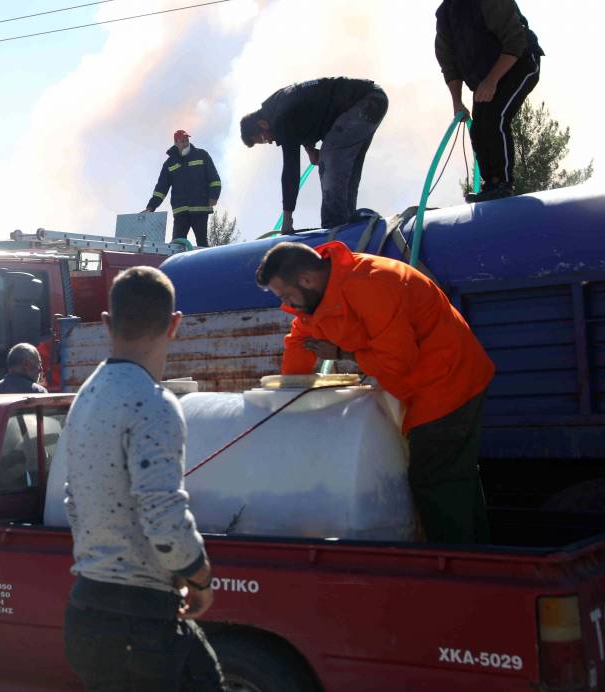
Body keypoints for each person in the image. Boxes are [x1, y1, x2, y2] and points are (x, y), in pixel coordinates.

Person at [255, 242, 495, 544]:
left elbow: (398, 359)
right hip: (425, 385)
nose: (288, 303)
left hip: (449, 380)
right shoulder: (317, 299)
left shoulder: (372, 283)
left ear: (306, 280)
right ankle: (482, 556)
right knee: (454, 479)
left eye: (287, 295)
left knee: (435, 480)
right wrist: (290, 400)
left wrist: (345, 353)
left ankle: (455, 569)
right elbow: (299, 341)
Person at [62, 267, 224, 691]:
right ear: (175, 325)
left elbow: (73, 500)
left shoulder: (86, 397)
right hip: (140, 624)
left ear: (107, 324)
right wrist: (200, 577)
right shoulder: (155, 404)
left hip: (89, 611)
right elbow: (161, 514)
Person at [431, 0, 543, 203]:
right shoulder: (444, 17)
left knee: (494, 118)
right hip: (485, 78)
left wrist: (491, 81)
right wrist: (457, 102)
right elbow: (449, 64)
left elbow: (516, 42)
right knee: (479, 129)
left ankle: (502, 184)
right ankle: (489, 186)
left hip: (520, 63)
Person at [240, 78, 389, 233]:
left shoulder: (280, 119)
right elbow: (306, 111)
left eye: (263, 139)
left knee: (330, 156)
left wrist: (287, 219)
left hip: (364, 103)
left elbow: (291, 170)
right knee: (347, 168)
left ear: (262, 124)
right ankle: (349, 226)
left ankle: (334, 227)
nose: (269, 141)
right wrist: (310, 148)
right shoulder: (277, 106)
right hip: (374, 100)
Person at [142, 129, 222, 248]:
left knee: (202, 243)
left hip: (200, 209)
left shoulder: (202, 155)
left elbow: (214, 179)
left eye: (187, 140)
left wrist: (214, 196)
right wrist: (151, 207)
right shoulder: (169, 163)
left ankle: (205, 265)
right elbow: (161, 188)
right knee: (177, 245)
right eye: (182, 141)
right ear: (176, 143)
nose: (185, 143)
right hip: (180, 212)